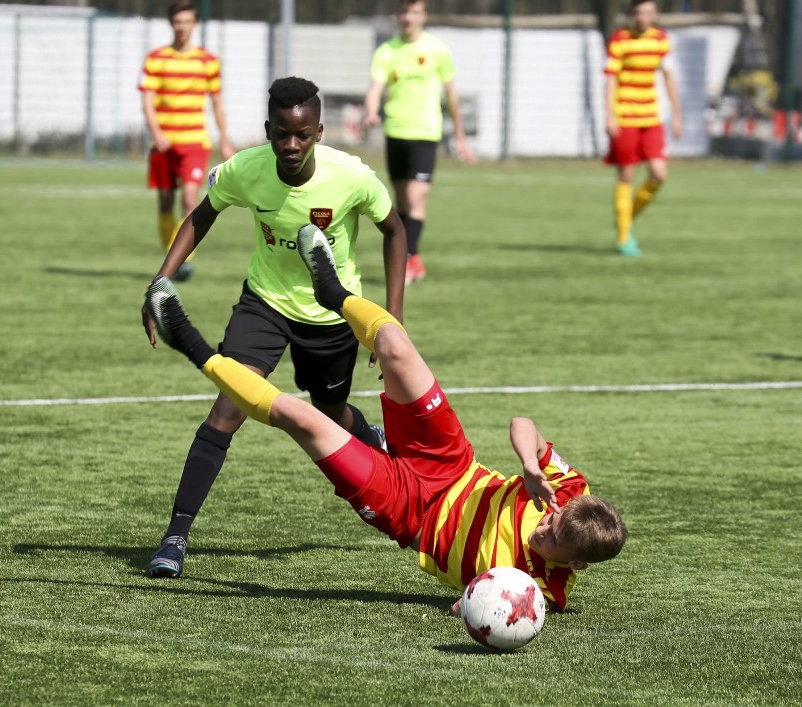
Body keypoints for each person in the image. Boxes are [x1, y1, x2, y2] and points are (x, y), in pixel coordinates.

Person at [143, 224, 627, 611]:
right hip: (453, 463)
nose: (546, 526)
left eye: (555, 537)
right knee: (395, 346)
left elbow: (484, 606)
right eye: (555, 520)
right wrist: (530, 464)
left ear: (577, 564)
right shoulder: (569, 491)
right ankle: (333, 291)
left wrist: (475, 607)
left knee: (303, 418)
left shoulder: (541, 591)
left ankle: (190, 343)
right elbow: (524, 423)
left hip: (411, 511)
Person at [142, 77, 407, 579]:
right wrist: (160, 281)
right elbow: (201, 214)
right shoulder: (246, 169)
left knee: (329, 412)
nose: (291, 145)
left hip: (330, 314)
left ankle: (368, 435)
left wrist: (389, 319)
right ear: (268, 129)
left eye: (302, 135)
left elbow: (394, 232)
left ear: (319, 132)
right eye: (281, 133)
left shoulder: (350, 177)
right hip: (263, 305)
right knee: (229, 406)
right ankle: (175, 537)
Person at [364, 0, 475, 285]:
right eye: (403, 11)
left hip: (425, 132)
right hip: (396, 132)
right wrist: (371, 112)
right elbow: (375, 88)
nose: (408, 17)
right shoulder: (386, 51)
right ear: (397, 15)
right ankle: (413, 255)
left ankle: (408, 257)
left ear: (423, 15)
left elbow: (451, 94)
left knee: (415, 198)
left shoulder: (437, 50)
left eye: (413, 11)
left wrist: (460, 135)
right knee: (401, 201)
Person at [139, 0, 235, 281]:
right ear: (171, 23)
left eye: (187, 22)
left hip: (194, 142)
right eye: (177, 22)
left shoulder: (208, 61)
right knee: (165, 203)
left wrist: (225, 140)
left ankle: (181, 261)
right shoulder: (156, 58)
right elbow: (147, 101)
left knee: (190, 199)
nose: (182, 27)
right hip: (163, 144)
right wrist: (156, 132)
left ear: (195, 24)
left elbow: (217, 104)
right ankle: (174, 258)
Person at [604, 0, 682, 257]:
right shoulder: (620, 39)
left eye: (648, 12)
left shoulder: (661, 40)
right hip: (625, 117)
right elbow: (610, 79)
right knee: (626, 174)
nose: (642, 17)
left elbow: (668, 77)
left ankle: (625, 219)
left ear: (656, 15)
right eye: (638, 12)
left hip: (651, 118)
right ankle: (624, 237)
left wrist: (677, 114)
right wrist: (609, 115)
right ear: (631, 14)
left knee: (659, 174)